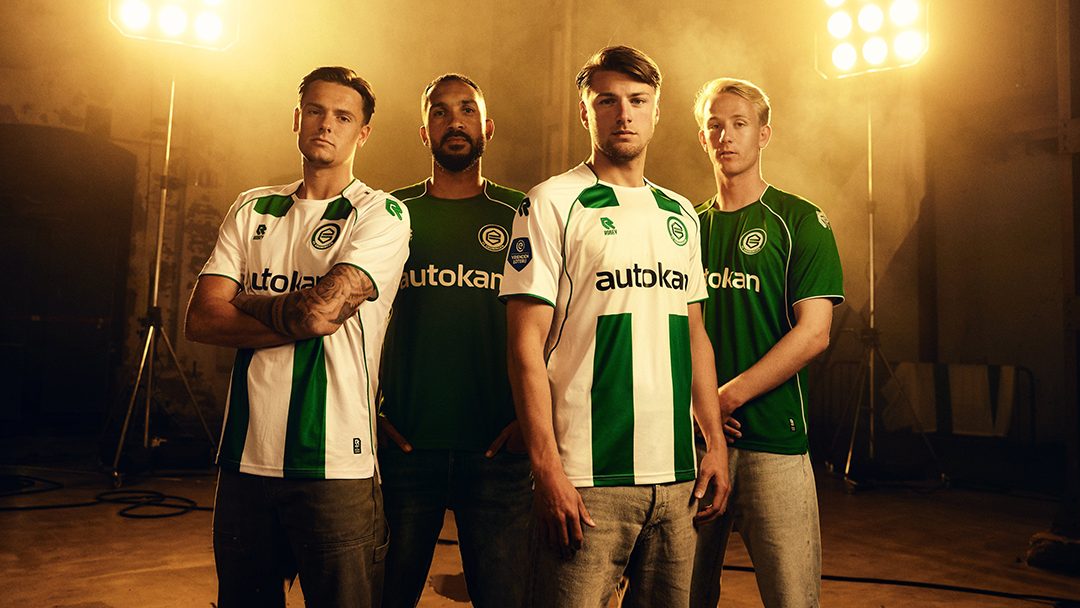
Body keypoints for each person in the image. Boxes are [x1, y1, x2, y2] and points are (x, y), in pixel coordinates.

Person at [500, 46, 731, 608]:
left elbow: (695, 337)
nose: (624, 114)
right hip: (585, 479)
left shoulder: (680, 213)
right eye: (607, 101)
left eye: (637, 100)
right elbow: (525, 345)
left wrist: (715, 444)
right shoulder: (551, 202)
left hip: (677, 479)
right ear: (585, 112)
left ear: (657, 111)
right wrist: (548, 470)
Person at [184, 66, 410, 608]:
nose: (326, 124)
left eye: (343, 117)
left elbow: (320, 315)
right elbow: (202, 319)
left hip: (336, 466)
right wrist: (298, 307)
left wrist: (245, 299)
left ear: (363, 133)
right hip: (244, 459)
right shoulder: (252, 207)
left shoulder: (381, 212)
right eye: (315, 110)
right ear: (297, 118)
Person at [687, 78, 844, 608]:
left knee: (792, 598)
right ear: (702, 138)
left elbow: (814, 333)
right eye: (714, 125)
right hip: (696, 443)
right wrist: (700, 412)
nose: (725, 135)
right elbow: (673, 334)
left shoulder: (800, 220)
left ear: (764, 134)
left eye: (739, 123)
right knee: (680, 596)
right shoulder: (684, 227)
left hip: (774, 444)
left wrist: (724, 397)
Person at [377, 73, 532, 608]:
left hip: (498, 450)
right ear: (425, 132)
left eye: (467, 110)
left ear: (488, 127)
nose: (454, 121)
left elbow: (557, 325)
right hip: (405, 447)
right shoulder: (391, 213)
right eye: (439, 112)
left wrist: (530, 420)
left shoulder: (522, 213)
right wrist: (366, 413)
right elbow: (353, 323)